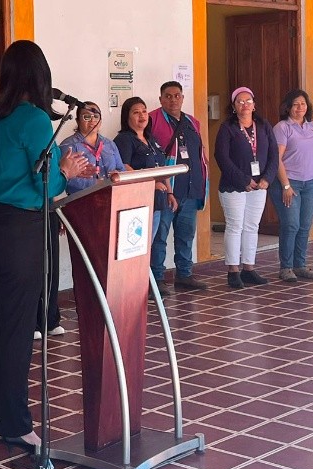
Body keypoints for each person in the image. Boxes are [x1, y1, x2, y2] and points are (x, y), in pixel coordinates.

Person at [0, 40, 91, 454]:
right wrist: (66, 170)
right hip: (18, 231)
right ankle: (18, 424)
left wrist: (56, 171)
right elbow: (47, 185)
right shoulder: (36, 120)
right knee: (19, 328)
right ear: (41, 76)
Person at [35, 101, 126, 336]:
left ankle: (107, 303)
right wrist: (94, 183)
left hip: (110, 206)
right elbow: (65, 179)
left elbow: (119, 170)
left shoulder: (109, 145)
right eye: (85, 116)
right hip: (83, 207)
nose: (91, 120)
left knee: (108, 258)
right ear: (77, 120)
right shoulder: (68, 146)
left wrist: (116, 176)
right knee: (85, 261)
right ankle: (84, 304)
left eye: (95, 115)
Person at [214, 87, 279, 289]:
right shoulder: (227, 128)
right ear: (233, 106)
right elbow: (222, 157)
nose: (245, 105)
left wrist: (267, 178)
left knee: (252, 226)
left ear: (254, 104)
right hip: (234, 186)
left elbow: (274, 154)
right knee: (235, 226)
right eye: (240, 101)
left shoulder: (263, 125)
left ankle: (249, 268)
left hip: (260, 185)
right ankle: (233, 270)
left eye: (248, 101)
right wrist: (243, 180)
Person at [149, 81, 209, 293]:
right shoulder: (152, 120)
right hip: (168, 189)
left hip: (190, 189)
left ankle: (184, 275)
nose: (172, 100)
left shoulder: (192, 122)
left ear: (183, 98)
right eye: (168, 96)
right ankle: (157, 278)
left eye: (177, 96)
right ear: (160, 99)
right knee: (160, 237)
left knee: (186, 235)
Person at [113, 97, 170, 297]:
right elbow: (124, 167)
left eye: (144, 111)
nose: (142, 115)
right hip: (139, 201)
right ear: (127, 116)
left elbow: (161, 167)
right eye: (136, 112)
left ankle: (148, 284)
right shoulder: (124, 139)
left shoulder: (151, 139)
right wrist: (152, 183)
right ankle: (135, 288)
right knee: (138, 247)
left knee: (152, 244)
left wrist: (169, 191)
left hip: (159, 200)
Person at [268, 89, 313, 282]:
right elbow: (277, 159)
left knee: (305, 226)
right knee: (291, 225)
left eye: (303, 104)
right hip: (289, 183)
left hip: (311, 183)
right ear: (288, 107)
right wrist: (285, 185)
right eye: (296, 104)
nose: (300, 108)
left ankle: (300, 265)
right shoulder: (282, 128)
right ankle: (286, 267)